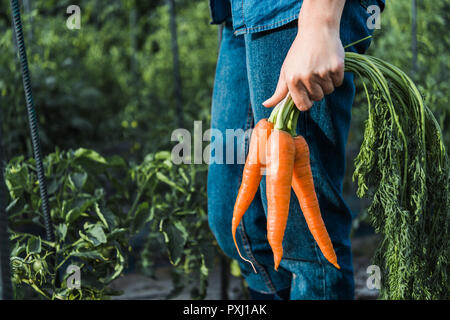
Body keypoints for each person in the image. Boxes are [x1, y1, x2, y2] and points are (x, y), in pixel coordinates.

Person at [207, 0, 385, 300]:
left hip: (299, 10)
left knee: (308, 249)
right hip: (240, 11)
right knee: (238, 226)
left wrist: (321, 21)